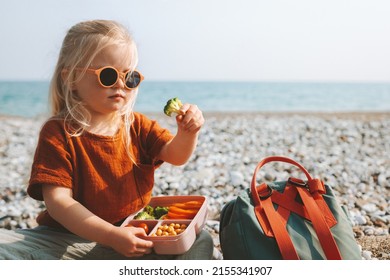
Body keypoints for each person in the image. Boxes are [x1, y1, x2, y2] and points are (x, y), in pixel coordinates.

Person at [0, 20, 213, 260]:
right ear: (71, 78)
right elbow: (58, 202)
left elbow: (176, 155)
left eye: (130, 77)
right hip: (64, 238)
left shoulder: (136, 125)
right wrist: (110, 236)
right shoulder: (59, 132)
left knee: (199, 241)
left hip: (129, 231)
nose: (121, 84)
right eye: (108, 75)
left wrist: (187, 133)